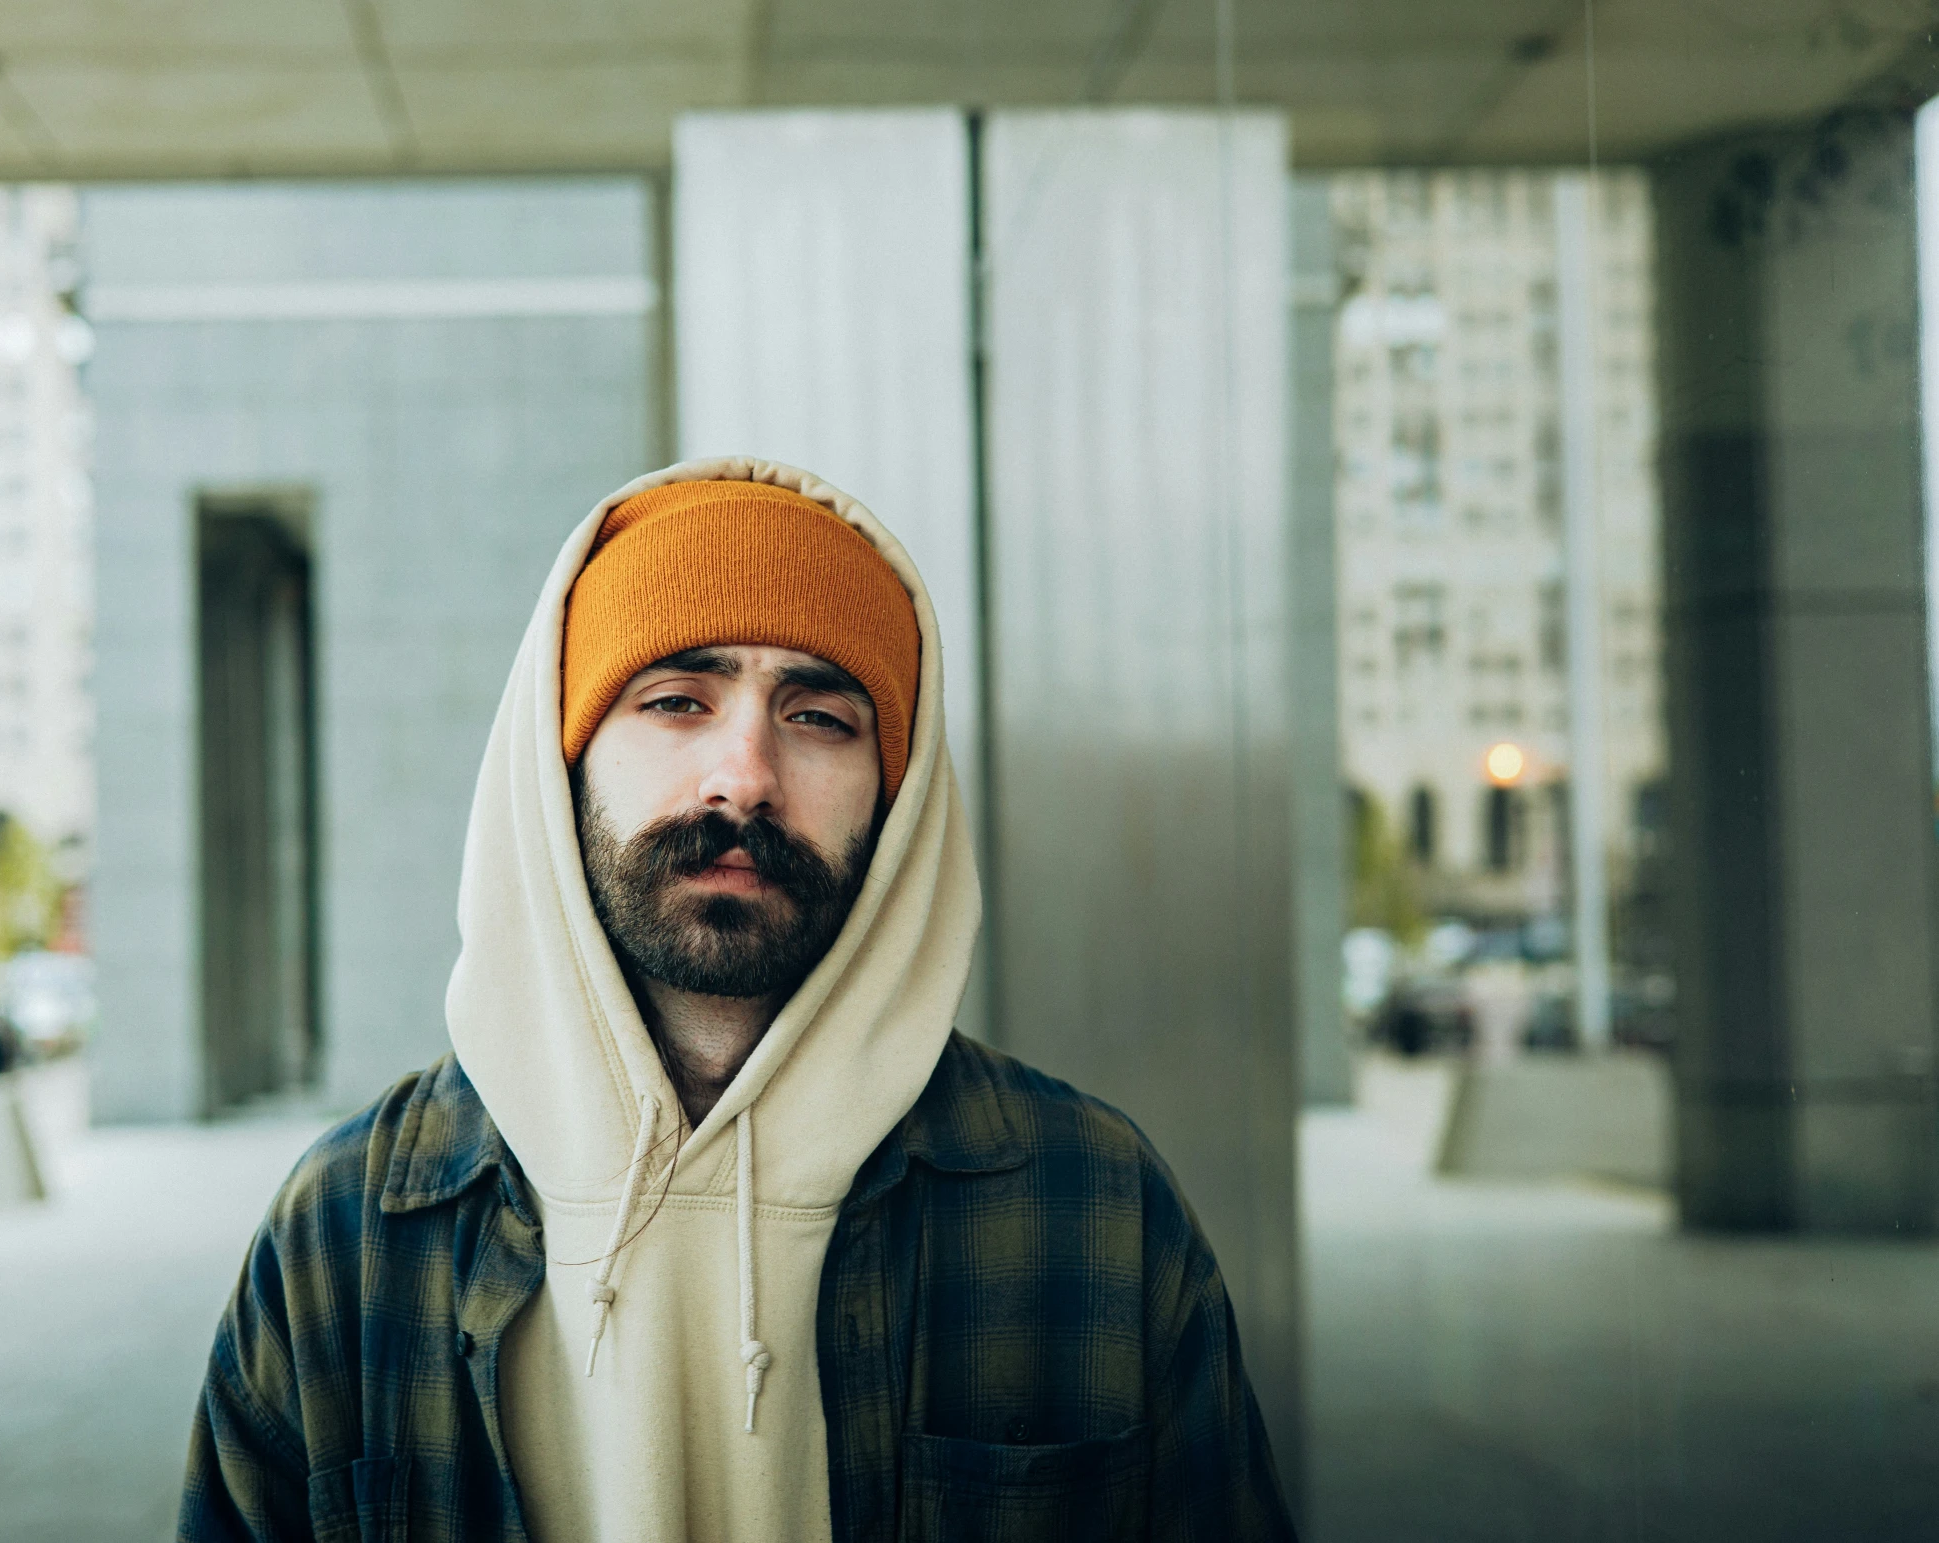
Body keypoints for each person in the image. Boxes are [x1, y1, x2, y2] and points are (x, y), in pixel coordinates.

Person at [180, 458, 1297, 1542]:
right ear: (559, 764)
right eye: (675, 700)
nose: (744, 775)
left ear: (897, 798)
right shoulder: (348, 1234)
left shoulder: (1089, 1205)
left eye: (818, 717)